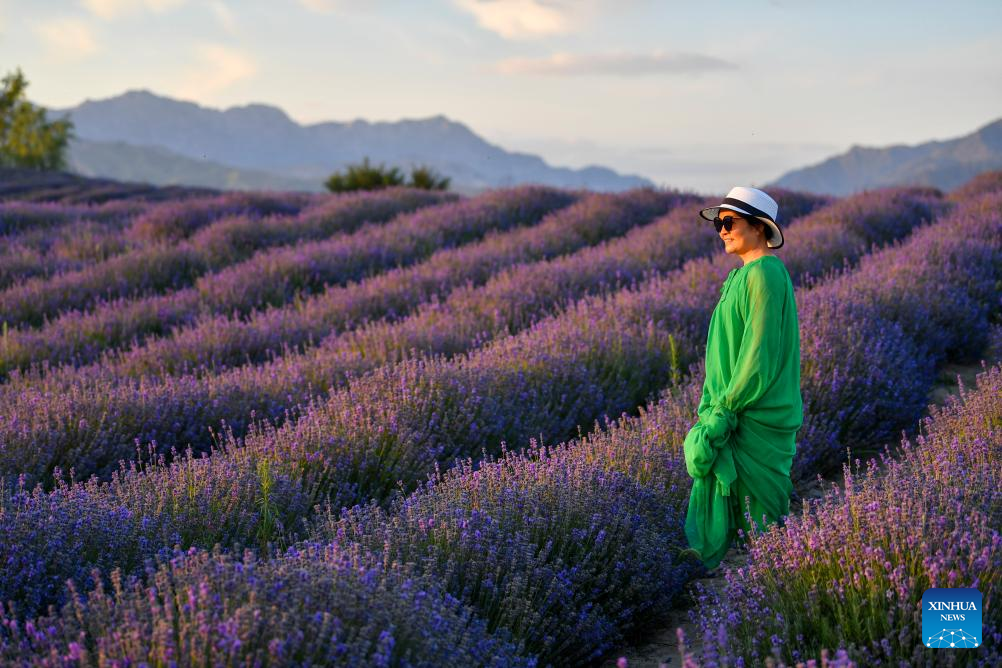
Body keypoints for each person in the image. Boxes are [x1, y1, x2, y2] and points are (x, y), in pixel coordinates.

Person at [680, 186, 803, 572]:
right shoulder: (743, 275)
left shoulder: (765, 272)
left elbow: (758, 353)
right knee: (753, 527)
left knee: (764, 524)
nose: (721, 230)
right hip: (733, 408)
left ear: (758, 226)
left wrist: (728, 408)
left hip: (752, 413)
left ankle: (782, 597)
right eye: (718, 223)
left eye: (729, 222)